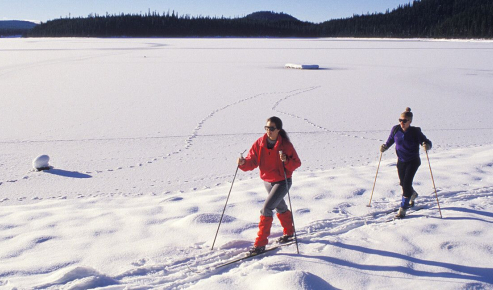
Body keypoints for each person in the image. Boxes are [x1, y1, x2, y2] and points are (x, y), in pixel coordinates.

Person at [238, 116, 301, 254]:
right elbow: (252, 161)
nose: (269, 131)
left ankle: (260, 244)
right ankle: (289, 233)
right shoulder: (260, 143)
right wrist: (243, 163)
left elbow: (296, 163)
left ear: (278, 130)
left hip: (282, 181)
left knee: (266, 209)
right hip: (267, 181)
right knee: (280, 206)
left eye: (272, 128)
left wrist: (286, 161)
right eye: (267, 128)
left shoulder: (286, 145)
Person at [380, 107, 432, 218]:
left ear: (410, 121)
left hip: (413, 161)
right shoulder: (395, 129)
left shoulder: (415, 132)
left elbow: (426, 141)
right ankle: (412, 194)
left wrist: (426, 145)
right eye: (400, 120)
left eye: (404, 121)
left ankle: (403, 209)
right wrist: (385, 147)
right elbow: (390, 140)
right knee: (403, 184)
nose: (401, 123)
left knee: (407, 184)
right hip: (401, 161)